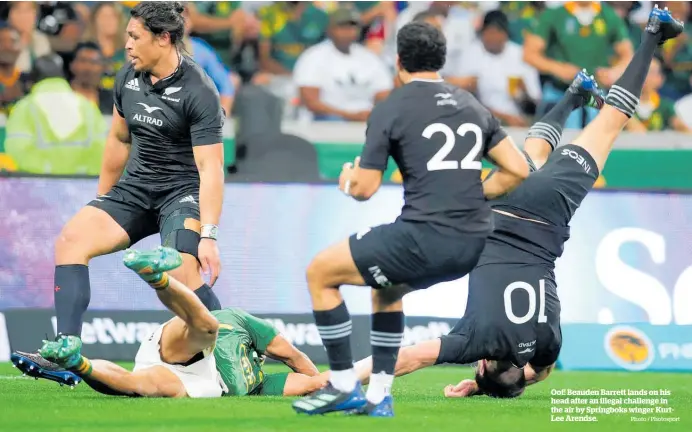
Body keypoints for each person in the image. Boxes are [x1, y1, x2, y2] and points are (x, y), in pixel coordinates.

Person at [341, 5, 684, 400]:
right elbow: (407, 358)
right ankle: (582, 90)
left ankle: (640, 46)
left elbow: (540, 372)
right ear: (481, 364)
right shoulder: (471, 343)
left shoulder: (545, 346)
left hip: (548, 211)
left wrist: (498, 382)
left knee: (606, 124)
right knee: (530, 155)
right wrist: (342, 376)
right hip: (498, 207)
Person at [292, 21, 530, 417]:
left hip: (425, 236)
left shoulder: (391, 108)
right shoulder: (472, 104)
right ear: (441, 60)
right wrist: (474, 192)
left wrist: (349, 179)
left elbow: (366, 189)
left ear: (398, 61)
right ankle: (379, 396)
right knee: (387, 289)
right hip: (472, 244)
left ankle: (344, 386)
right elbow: (517, 169)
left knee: (320, 273)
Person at [31, 1, 225, 367]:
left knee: (182, 271)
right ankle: (65, 353)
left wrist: (209, 236)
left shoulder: (200, 90)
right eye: (127, 37)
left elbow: (210, 168)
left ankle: (232, 346)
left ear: (164, 38)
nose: (127, 45)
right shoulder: (127, 78)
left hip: (181, 194)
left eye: (135, 37)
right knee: (72, 240)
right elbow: (119, 140)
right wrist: (103, 203)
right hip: (134, 190)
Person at [12, 247, 327, 398]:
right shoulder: (242, 322)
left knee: (138, 387)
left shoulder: (260, 386)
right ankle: (156, 276)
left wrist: (324, 384)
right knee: (206, 326)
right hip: (188, 348)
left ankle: (75, 363)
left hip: (202, 384)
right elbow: (292, 356)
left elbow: (314, 379)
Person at [5, 53, 106, 175]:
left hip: (38, 189)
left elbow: (17, 151)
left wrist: (48, 175)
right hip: (83, 189)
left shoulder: (24, 108)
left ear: (32, 82)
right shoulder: (87, 106)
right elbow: (103, 150)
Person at [69, 42, 112, 114]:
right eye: (83, 60)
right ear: (72, 65)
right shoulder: (61, 96)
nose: (87, 67)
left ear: (103, 67)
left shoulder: (112, 101)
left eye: (93, 62)